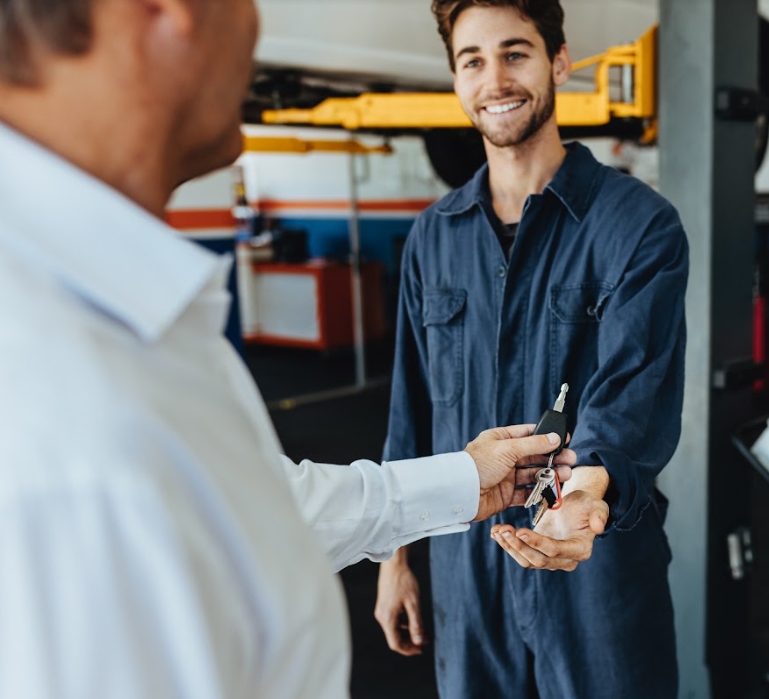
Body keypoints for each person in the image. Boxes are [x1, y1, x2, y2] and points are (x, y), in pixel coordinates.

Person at [0, 1, 577, 698]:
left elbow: (264, 508)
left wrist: (459, 478)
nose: (252, 25)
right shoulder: (57, 386)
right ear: (165, 11)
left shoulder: (121, 319)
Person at [374, 1, 689, 697]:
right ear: (455, 80)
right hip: (466, 567)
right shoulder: (433, 237)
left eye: (514, 53)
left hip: (591, 561)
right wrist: (394, 558)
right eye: (472, 60)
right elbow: (411, 408)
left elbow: (629, 402)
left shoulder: (638, 226)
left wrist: (581, 497)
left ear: (558, 62)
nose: (495, 79)